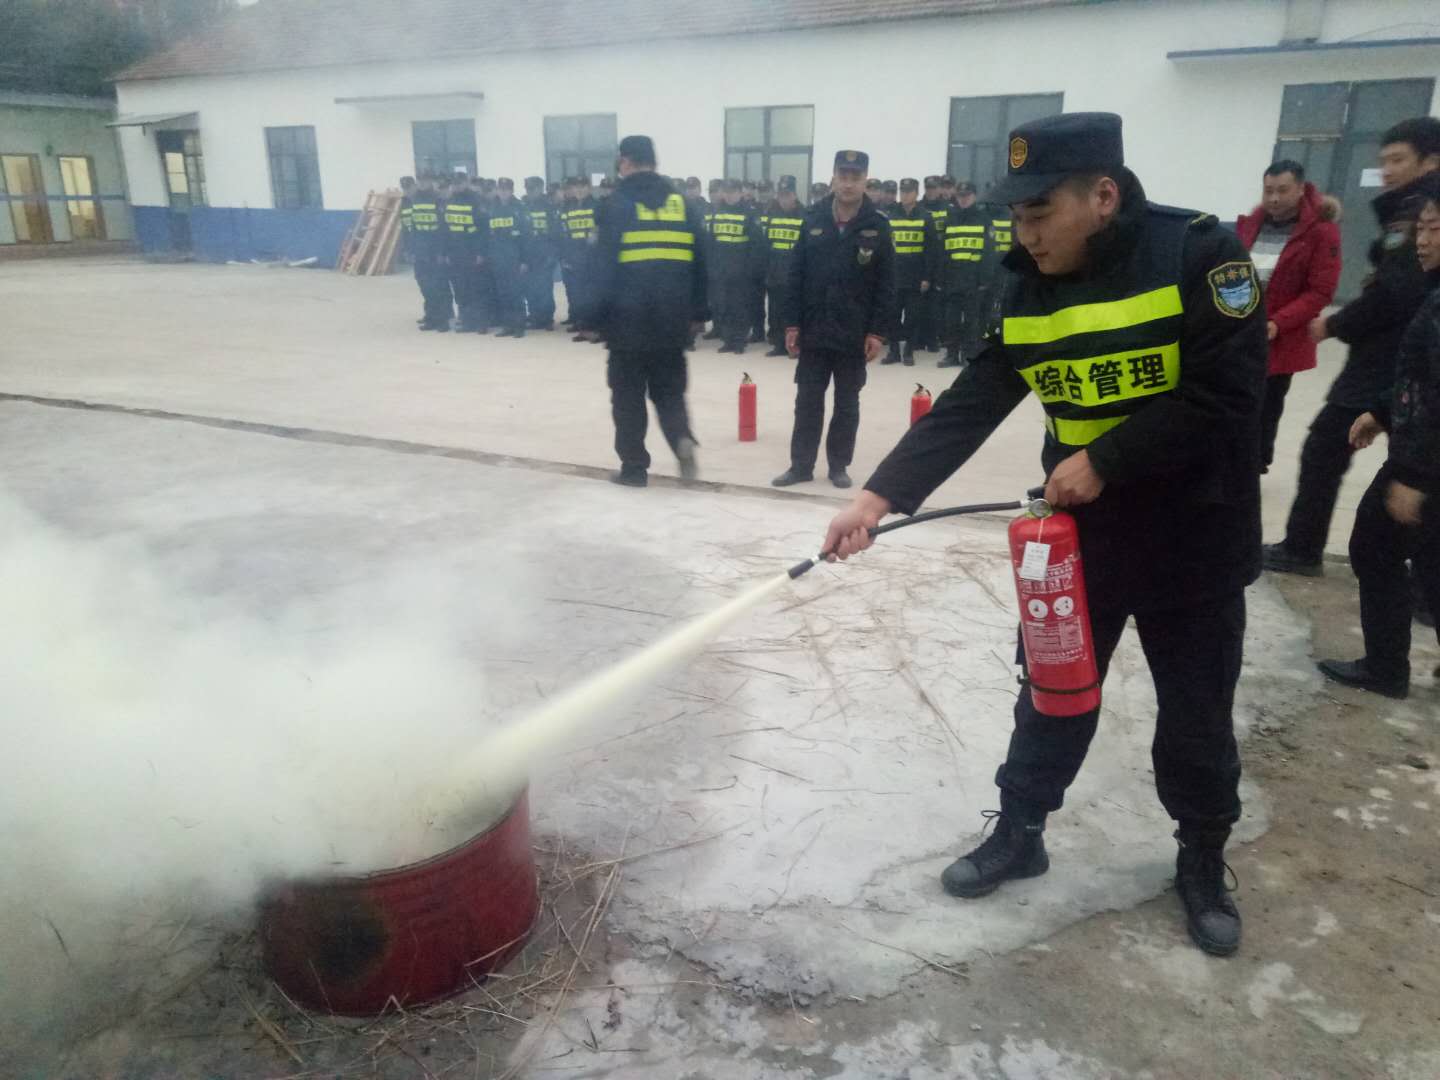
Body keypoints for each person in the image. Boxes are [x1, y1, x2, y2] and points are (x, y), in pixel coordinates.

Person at [821, 113, 1267, 957]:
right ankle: (1021, 831)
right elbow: (976, 397)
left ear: (1103, 197)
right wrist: (877, 499)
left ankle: (1203, 857)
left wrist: (1106, 458)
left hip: (1194, 538)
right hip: (1082, 541)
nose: (1024, 235)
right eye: (1015, 219)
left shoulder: (1200, 257)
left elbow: (1231, 395)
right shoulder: (1029, 285)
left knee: (1197, 713)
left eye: (1039, 215)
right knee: (1053, 691)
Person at [1264, 116, 1440, 576]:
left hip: (1391, 358)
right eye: (1384, 161)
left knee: (1331, 448)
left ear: (1430, 162)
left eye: (1398, 160)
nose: (1387, 171)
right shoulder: (1406, 209)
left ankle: (1305, 549)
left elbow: (1395, 293)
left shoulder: (1417, 211)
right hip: (1395, 357)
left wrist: (1336, 324)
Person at [1319, 176, 1440, 698]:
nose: (1422, 241)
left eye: (1435, 229)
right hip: (1421, 453)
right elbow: (1424, 378)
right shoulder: (1433, 295)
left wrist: (1413, 477)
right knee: (1431, 558)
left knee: (1373, 545)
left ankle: (1386, 668)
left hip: (1424, 464)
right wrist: (1385, 411)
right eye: (1421, 229)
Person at [582, 135, 707, 488]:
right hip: (672, 321)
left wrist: (591, 318)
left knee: (627, 397)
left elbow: (602, 267)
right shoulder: (683, 204)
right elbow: (701, 262)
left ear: (624, 162)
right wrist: (698, 312)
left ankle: (634, 468)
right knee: (669, 392)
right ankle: (681, 437)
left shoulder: (615, 204)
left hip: (627, 323)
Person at [772, 149, 895, 490]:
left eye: (856, 177)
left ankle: (839, 465)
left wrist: (877, 332)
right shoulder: (813, 218)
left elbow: (887, 283)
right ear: (833, 178)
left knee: (847, 403)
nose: (848, 183)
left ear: (865, 181)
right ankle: (800, 466)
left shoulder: (877, 224)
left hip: (854, 332)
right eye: (843, 176)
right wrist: (791, 324)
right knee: (807, 402)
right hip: (814, 329)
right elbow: (795, 275)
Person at [1236, 161, 1343, 471]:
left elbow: (1320, 291)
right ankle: (1232, 461)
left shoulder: (1321, 231)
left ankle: (1255, 465)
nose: (1274, 198)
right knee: (1235, 399)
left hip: (1280, 335)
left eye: (1282, 190)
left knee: (1265, 404)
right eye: (1268, 190)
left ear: (1300, 189)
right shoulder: (1251, 224)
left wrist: (1278, 322)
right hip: (1240, 330)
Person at [883, 177, 937, 366]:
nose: (905, 195)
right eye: (903, 192)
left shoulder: (925, 217)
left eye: (909, 192)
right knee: (892, 315)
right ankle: (893, 351)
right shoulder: (891, 216)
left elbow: (931, 251)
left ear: (916, 193)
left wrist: (927, 277)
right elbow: (885, 248)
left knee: (912, 317)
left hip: (916, 277)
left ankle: (908, 352)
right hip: (894, 276)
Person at [938, 179, 988, 369]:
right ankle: (951, 354)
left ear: (974, 196)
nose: (963, 199)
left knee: (971, 321)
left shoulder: (983, 219)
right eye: (960, 196)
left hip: (974, 281)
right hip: (952, 279)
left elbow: (989, 253)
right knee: (950, 320)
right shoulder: (950, 219)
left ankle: (968, 355)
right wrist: (941, 277)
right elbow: (943, 252)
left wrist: (984, 279)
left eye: (967, 196)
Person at [710, 178, 764, 354]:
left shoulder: (749, 213)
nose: (729, 195)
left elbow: (757, 245)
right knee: (724, 305)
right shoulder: (717, 212)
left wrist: (750, 269)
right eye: (726, 192)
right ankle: (728, 340)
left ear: (740, 193)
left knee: (740, 307)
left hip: (741, 270)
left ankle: (739, 341)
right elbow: (712, 240)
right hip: (722, 269)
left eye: (733, 192)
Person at [762, 176, 806, 357]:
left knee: (794, 312)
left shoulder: (805, 215)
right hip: (775, 272)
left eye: (787, 195)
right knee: (775, 311)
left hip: (795, 275)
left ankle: (796, 346)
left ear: (795, 195)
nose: (784, 199)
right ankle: (779, 344)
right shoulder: (771, 214)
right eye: (781, 195)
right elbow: (765, 244)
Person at [486, 178, 533, 338]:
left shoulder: (520, 208)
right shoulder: (492, 208)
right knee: (503, 293)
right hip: (498, 258)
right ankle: (507, 325)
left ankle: (519, 326)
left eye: (506, 189)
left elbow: (527, 237)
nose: (503, 192)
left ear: (512, 191)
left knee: (516, 293)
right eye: (501, 189)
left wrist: (524, 260)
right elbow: (489, 235)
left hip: (515, 258)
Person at [444, 174, 486, 332]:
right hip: (455, 252)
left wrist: (480, 252)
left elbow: (483, 230)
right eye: (454, 183)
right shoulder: (449, 201)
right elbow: (446, 229)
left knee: (475, 289)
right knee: (460, 290)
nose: (456, 186)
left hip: (471, 252)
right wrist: (446, 252)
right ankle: (466, 321)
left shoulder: (475, 200)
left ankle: (480, 323)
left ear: (466, 183)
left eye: (459, 183)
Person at [561, 176, 600, 340]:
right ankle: (583, 326)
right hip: (575, 257)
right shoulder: (568, 208)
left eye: (583, 186)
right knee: (578, 294)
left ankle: (595, 328)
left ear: (589, 188)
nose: (579, 190)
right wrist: (566, 256)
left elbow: (601, 231)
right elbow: (564, 234)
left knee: (592, 295)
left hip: (593, 258)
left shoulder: (597, 206)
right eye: (576, 186)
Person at [409, 175, 450, 331]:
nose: (422, 184)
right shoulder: (415, 199)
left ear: (431, 182)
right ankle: (431, 317)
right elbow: (413, 227)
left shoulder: (438, 199)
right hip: (421, 250)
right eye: (420, 181)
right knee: (425, 286)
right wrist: (412, 250)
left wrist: (441, 252)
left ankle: (442, 321)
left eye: (425, 181)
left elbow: (443, 229)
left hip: (434, 251)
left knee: (437, 287)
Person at [523, 175, 558, 331]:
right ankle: (535, 316)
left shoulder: (549, 207)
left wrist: (552, 254)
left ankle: (547, 318)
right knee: (530, 288)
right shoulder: (523, 206)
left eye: (532, 189)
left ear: (540, 188)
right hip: (528, 254)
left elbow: (555, 232)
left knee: (545, 289)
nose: (530, 192)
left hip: (544, 254)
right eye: (528, 189)